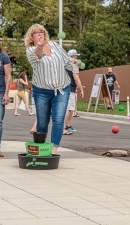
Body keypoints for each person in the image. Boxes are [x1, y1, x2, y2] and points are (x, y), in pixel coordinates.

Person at [25, 24, 73, 154]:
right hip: (41, 91)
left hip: (62, 89)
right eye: (36, 33)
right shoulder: (31, 50)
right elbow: (38, 55)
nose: (40, 34)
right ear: (31, 37)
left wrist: (75, 69)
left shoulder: (55, 45)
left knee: (58, 119)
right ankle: (40, 148)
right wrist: (40, 46)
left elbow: (67, 61)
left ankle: (53, 150)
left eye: (42, 31)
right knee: (42, 121)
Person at [64, 49, 84, 134]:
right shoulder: (74, 65)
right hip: (70, 89)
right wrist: (81, 89)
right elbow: (76, 78)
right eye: (76, 55)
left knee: (71, 109)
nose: (77, 57)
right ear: (72, 56)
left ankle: (68, 125)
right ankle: (64, 127)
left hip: (66, 88)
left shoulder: (65, 64)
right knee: (69, 109)